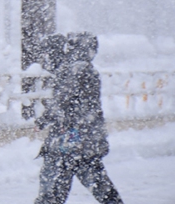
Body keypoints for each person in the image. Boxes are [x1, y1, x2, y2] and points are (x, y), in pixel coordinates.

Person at [34, 32, 123, 204]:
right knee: (98, 184)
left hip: (70, 139)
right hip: (85, 138)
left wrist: (44, 120)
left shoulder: (75, 70)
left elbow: (63, 100)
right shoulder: (84, 69)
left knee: (54, 183)